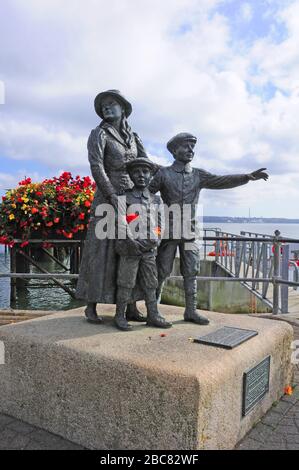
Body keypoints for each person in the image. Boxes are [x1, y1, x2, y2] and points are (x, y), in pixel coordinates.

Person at [149, 132, 269, 325]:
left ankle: (191, 311)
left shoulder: (198, 175)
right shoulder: (163, 174)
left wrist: (246, 177)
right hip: (169, 234)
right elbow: (147, 195)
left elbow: (221, 181)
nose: (190, 150)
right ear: (174, 150)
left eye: (192, 147)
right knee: (161, 271)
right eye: (186, 146)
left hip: (190, 233)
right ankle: (153, 312)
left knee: (191, 271)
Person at [76, 90, 149, 324]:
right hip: (107, 197)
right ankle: (91, 305)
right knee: (100, 251)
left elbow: (145, 164)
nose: (106, 108)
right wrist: (111, 195)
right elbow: (97, 166)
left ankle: (130, 305)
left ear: (123, 108)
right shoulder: (98, 134)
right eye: (103, 106)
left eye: (111, 104)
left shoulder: (134, 136)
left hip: (133, 198)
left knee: (132, 250)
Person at [114, 158, 172, 331]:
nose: (141, 175)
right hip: (129, 249)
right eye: (136, 172)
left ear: (150, 175)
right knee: (126, 282)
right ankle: (119, 315)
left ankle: (153, 314)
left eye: (145, 172)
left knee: (150, 283)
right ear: (131, 175)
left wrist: (156, 240)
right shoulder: (123, 197)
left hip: (149, 250)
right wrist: (131, 242)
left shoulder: (156, 200)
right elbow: (120, 222)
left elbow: (160, 225)